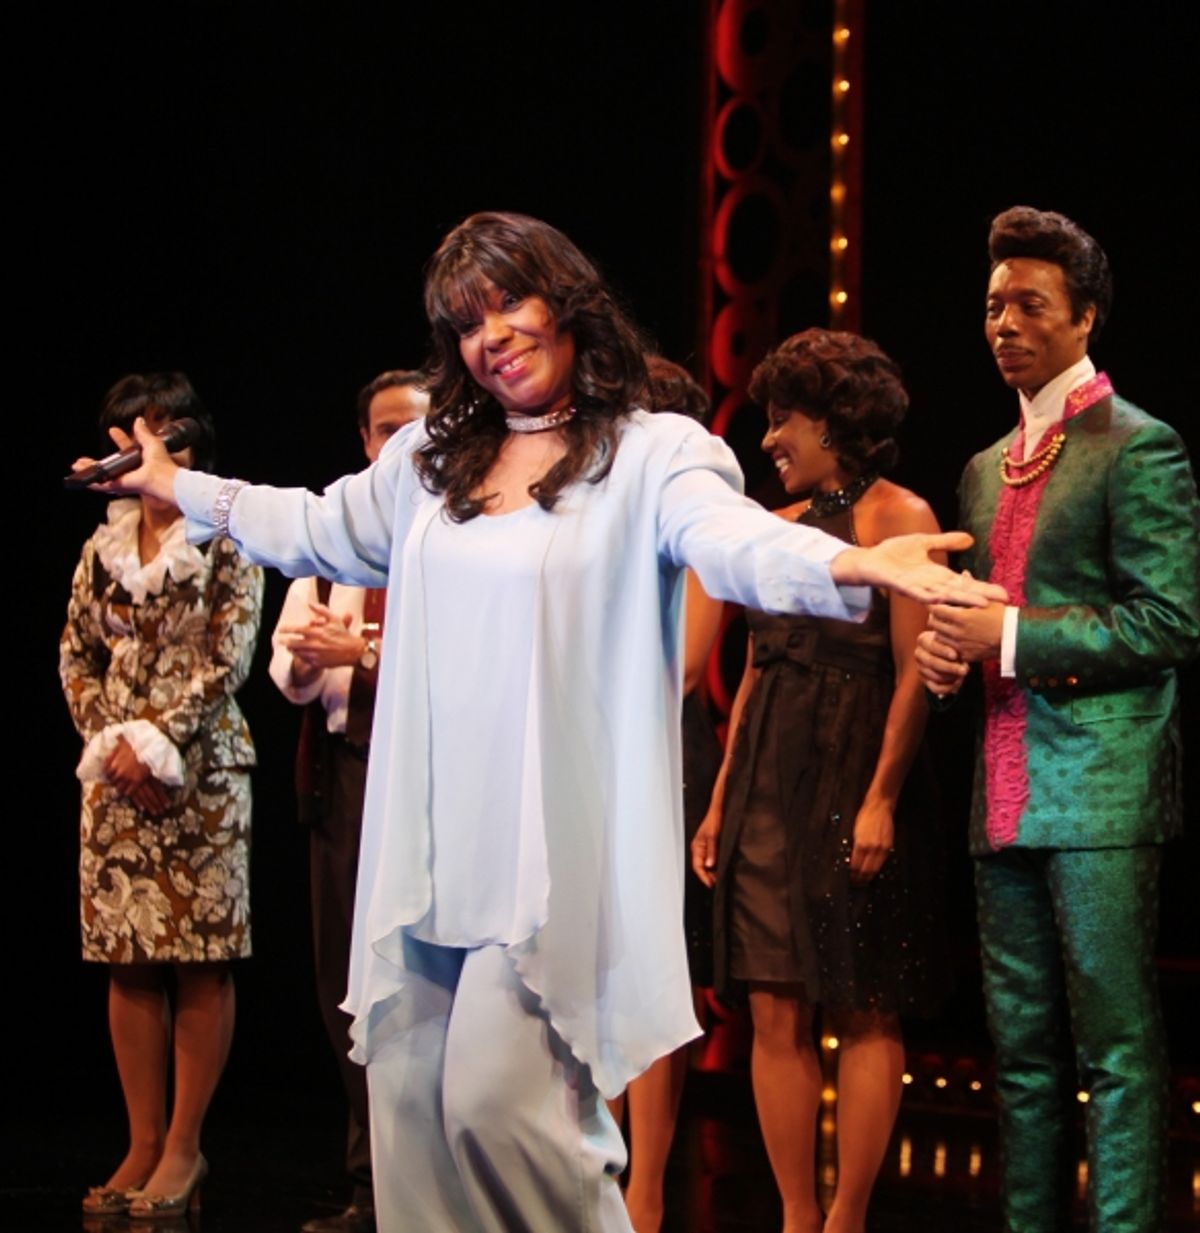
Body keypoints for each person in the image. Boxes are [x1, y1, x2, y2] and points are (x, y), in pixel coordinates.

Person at [75, 211, 999, 1233]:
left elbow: (729, 540)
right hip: (430, 847)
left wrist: (853, 563)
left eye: (510, 302)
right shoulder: (431, 459)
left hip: (545, 853)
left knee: (500, 1109)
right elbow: (310, 523)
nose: (494, 335)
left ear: (565, 303)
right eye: (468, 322)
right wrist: (176, 486)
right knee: (414, 1117)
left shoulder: (653, 452)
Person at [916, 206, 1200, 1233]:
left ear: (1086, 318)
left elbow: (1167, 622)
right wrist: (948, 653)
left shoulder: (1140, 447)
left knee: (1115, 1052)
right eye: (993, 306)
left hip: (1100, 786)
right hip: (1003, 787)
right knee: (1021, 1055)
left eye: (1030, 305)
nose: (1004, 324)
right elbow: (980, 622)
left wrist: (1013, 636)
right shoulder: (985, 467)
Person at [691, 329, 945, 1233]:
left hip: (852, 761)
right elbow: (757, 666)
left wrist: (881, 796)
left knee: (865, 998)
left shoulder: (898, 518)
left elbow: (916, 670)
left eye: (782, 418)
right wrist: (723, 796)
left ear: (835, 422)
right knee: (772, 1002)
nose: (768, 438)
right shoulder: (776, 527)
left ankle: (848, 1218)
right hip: (766, 767)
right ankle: (798, 1215)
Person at [60, 373, 264, 1219]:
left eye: (141, 443)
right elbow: (77, 655)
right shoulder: (101, 550)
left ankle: (185, 1146)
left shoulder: (228, 535)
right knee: (130, 956)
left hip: (202, 775)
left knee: (199, 956)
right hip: (114, 779)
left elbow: (229, 658)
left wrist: (159, 742)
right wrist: (113, 743)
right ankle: (142, 1139)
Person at [270, 370, 428, 1233]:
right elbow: (290, 670)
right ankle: (370, 1186)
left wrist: (364, 652)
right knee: (346, 989)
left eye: (415, 426)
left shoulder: (462, 536)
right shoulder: (335, 542)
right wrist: (313, 657)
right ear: (366, 444)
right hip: (344, 776)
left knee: (419, 990)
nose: (398, 443)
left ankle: (427, 1191)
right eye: (383, 430)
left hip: (426, 789)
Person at [607, 356, 724, 1233]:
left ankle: (644, 1188)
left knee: (650, 973)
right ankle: (588, 1167)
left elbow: (684, 664)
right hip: (590, 754)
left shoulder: (694, 514)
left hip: (656, 753)